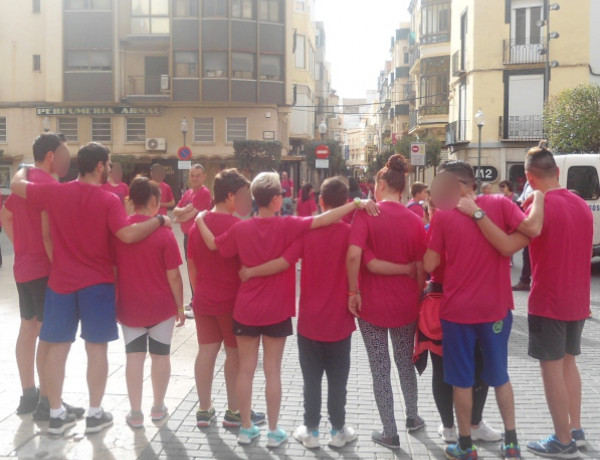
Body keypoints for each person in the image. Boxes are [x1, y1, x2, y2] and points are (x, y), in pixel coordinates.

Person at [194, 172, 378, 448]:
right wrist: (356, 204)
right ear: (278, 198)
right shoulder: (290, 225)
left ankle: (245, 429)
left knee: (245, 370)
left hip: (245, 309)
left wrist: (199, 219)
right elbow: (322, 221)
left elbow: (213, 245)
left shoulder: (241, 229)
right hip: (278, 311)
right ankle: (272, 431)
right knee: (273, 372)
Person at [9, 142, 171, 436]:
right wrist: (161, 220)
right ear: (99, 166)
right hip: (97, 284)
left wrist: (25, 169)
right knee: (96, 349)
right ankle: (95, 414)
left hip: (60, 283)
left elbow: (18, 187)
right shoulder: (108, 200)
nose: (110, 169)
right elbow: (127, 234)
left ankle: (56, 415)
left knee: (58, 348)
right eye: (108, 165)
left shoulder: (56, 192)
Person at [457, 145, 593, 458]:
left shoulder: (536, 205)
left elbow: (506, 244)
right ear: (556, 172)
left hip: (549, 298)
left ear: (529, 177)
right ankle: (576, 429)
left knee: (551, 369)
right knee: (569, 363)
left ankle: (562, 440)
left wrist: (476, 213)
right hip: (578, 298)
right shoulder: (581, 204)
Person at [424, 160, 544, 460]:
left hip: (457, 312)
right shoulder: (501, 204)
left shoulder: (442, 217)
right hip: (495, 311)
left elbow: (429, 264)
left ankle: (465, 446)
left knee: (461, 381)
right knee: (500, 376)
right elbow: (529, 231)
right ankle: (512, 442)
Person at [240, 177, 361, 450]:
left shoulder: (306, 233)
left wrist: (251, 272)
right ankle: (339, 430)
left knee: (311, 380)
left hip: (309, 320)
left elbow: (284, 262)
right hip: (340, 320)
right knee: (338, 380)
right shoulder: (350, 232)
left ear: (320, 202)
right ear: (344, 204)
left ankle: (312, 431)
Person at [0, 133, 84, 421]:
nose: (67, 157)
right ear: (51, 155)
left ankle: (29, 394)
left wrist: (22, 246)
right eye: (64, 151)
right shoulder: (50, 185)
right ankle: (49, 402)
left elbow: (5, 216)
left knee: (28, 330)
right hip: (46, 270)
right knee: (50, 337)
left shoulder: (24, 183)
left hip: (24, 268)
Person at [346, 154, 427, 450]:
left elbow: (354, 255)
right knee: (405, 362)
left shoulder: (367, 214)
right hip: (406, 305)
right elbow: (420, 267)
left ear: (381, 184)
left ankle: (389, 432)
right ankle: (413, 417)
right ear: (403, 189)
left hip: (371, 307)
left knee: (380, 368)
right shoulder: (415, 219)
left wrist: (352, 292)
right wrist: (417, 295)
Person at [412, 197, 502, 445]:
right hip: (464, 302)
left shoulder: (431, 231)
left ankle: (453, 426)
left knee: (446, 369)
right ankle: (470, 423)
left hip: (443, 302)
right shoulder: (472, 227)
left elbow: (424, 268)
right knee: (476, 367)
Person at [187, 168, 265, 429]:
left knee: (206, 353)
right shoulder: (239, 227)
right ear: (231, 196)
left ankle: (203, 409)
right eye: (243, 195)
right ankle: (233, 411)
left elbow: (192, 265)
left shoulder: (199, 224)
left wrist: (199, 292)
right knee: (235, 357)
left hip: (204, 300)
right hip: (233, 303)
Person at [114, 176, 186, 429]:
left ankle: (135, 412)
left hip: (129, 307)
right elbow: (174, 277)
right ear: (155, 201)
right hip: (161, 308)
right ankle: (158, 407)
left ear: (130, 201)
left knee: (134, 358)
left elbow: (113, 272)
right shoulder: (164, 235)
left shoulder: (121, 232)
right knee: (160, 356)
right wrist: (180, 307)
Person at [173, 164, 212, 318]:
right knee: (191, 268)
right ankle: (194, 300)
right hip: (186, 236)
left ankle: (198, 303)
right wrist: (184, 210)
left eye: (198, 175)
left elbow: (190, 217)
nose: (194, 178)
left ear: (204, 176)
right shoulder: (188, 193)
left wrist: (182, 213)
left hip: (197, 236)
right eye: (192, 175)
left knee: (196, 269)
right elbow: (176, 213)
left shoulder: (204, 193)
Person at [512, 181, 534, 292]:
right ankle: (525, 280)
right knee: (527, 254)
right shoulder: (528, 183)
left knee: (530, 254)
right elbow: (523, 197)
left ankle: (526, 280)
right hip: (526, 215)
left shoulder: (538, 183)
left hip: (532, 218)